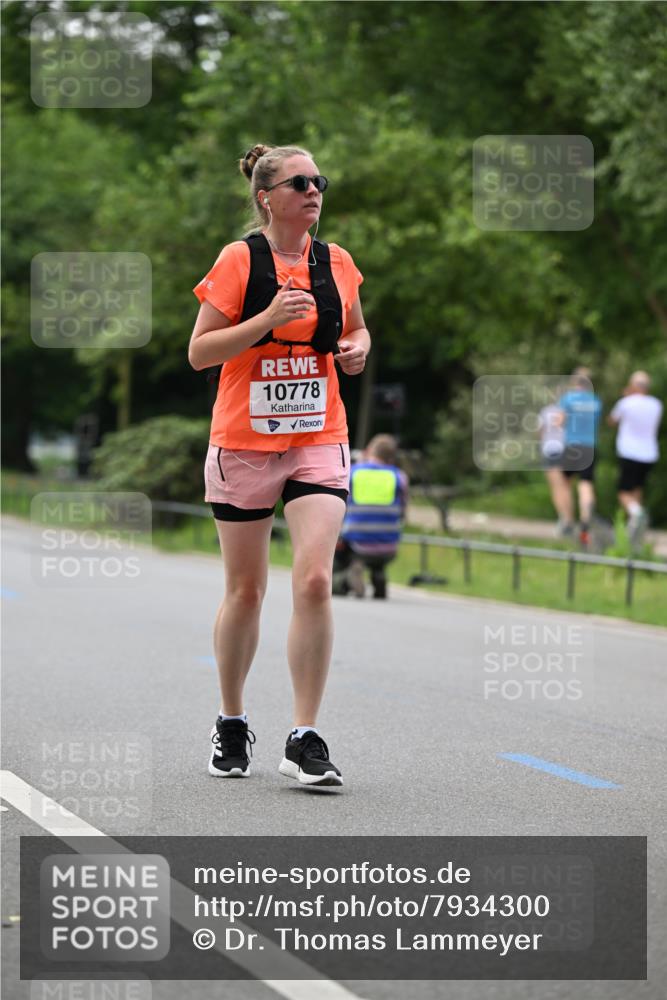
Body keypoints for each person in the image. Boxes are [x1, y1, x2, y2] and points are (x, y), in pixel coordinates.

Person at [188, 143, 370, 787]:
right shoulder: (240, 261)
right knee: (247, 590)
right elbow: (200, 353)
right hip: (244, 440)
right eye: (301, 182)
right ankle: (231, 721)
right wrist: (266, 319)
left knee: (315, 580)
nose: (315, 190)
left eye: (320, 180)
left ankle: (305, 735)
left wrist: (354, 350)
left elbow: (357, 327)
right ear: (268, 196)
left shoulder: (336, 261)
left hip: (318, 434)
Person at [332, 434, 409, 599]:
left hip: (357, 544)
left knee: (335, 564)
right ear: (391, 457)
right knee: (377, 550)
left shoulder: (353, 473)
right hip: (389, 546)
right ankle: (378, 575)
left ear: (368, 451)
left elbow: (340, 507)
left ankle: (345, 581)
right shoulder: (400, 478)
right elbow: (403, 512)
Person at [608, 370, 663, 544]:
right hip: (649, 453)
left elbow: (612, 421)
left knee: (624, 492)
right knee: (637, 489)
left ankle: (637, 515)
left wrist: (625, 396)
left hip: (629, 452)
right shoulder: (656, 404)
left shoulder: (626, 402)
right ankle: (635, 530)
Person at [555, 368, 602, 547]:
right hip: (590, 446)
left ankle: (567, 520)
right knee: (586, 483)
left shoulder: (568, 398)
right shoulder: (596, 401)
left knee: (564, 482)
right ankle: (586, 515)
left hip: (572, 444)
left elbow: (560, 421)